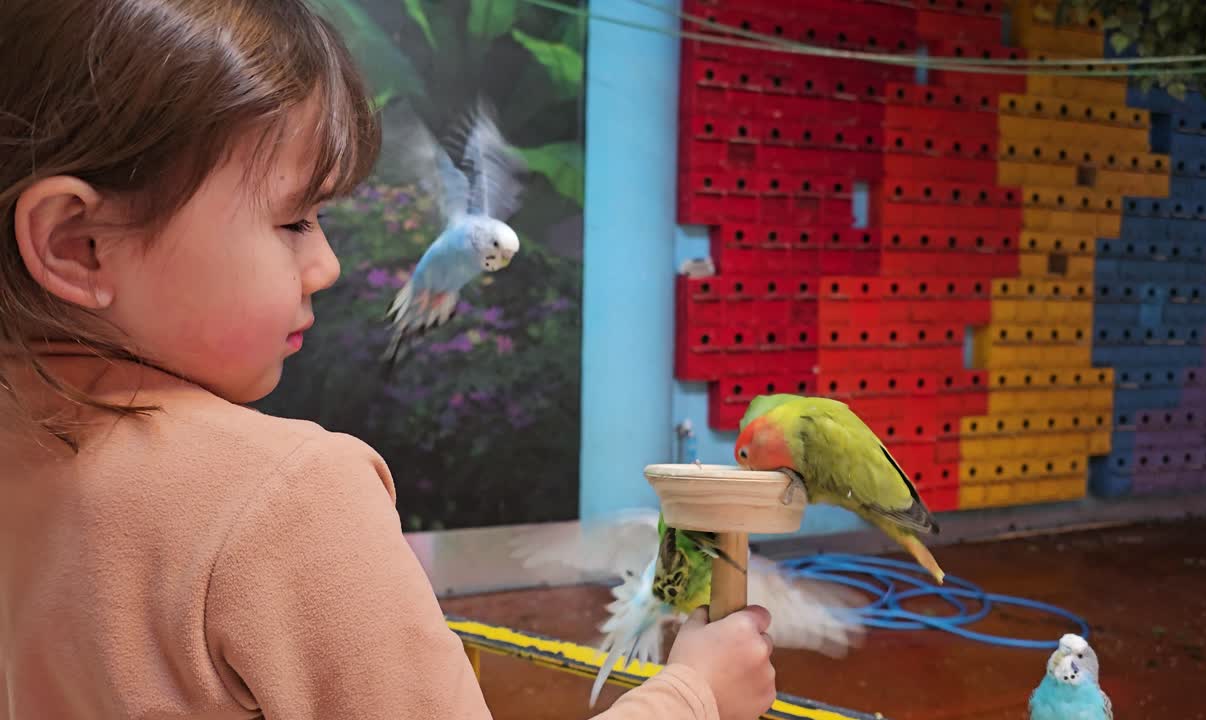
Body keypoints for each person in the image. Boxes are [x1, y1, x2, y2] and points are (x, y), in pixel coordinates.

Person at [0, 1, 777, 718]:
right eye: (295, 221)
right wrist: (696, 693)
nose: (329, 265)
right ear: (78, 244)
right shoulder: (291, 498)